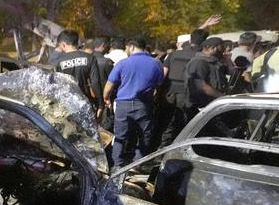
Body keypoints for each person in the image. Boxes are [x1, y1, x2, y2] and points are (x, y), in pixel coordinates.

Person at [102, 37, 165, 168]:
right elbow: (159, 85)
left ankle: (117, 165)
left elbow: (110, 84)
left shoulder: (123, 63)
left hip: (123, 105)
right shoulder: (156, 64)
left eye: (127, 48)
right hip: (144, 104)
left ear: (131, 47)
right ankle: (137, 163)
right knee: (144, 135)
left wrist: (106, 98)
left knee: (120, 136)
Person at [157, 28, 207, 149]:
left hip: (169, 93)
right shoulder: (201, 57)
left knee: (167, 124)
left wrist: (158, 92)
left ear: (190, 39)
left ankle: (160, 152)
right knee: (186, 126)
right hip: (188, 95)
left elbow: (163, 75)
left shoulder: (173, 54)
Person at [47, 29, 99, 108]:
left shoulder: (58, 62)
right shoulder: (90, 58)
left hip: (68, 104)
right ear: (77, 42)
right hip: (87, 103)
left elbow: (55, 86)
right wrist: (100, 104)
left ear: (63, 45)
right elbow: (95, 82)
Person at [186, 36, 228, 113]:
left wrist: (228, 60)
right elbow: (201, 86)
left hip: (213, 105)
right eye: (222, 47)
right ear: (212, 48)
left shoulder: (214, 62)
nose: (224, 51)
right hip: (202, 107)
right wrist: (222, 97)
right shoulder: (199, 62)